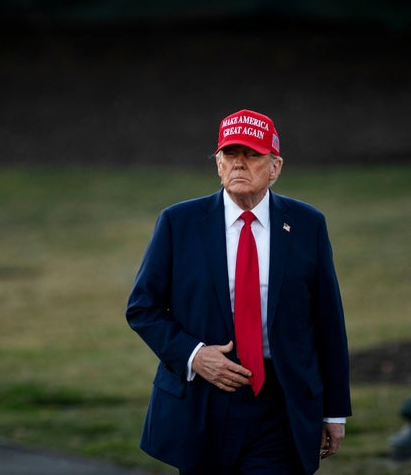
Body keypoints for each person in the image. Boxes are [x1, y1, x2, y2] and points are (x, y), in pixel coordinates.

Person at [126, 109, 352, 474]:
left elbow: (327, 321)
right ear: (218, 164)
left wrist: (335, 410)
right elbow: (143, 308)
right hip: (203, 402)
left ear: (275, 167)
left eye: (252, 155)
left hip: (281, 402)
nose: (239, 165)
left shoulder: (308, 224)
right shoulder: (178, 223)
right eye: (230, 155)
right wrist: (194, 355)